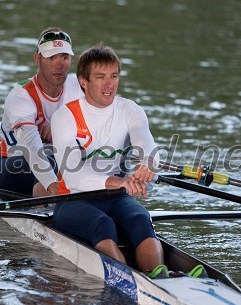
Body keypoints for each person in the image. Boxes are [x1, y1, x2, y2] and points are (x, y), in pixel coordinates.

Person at [50, 44, 169, 278]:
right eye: (101, 77)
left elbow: (148, 144)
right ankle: (128, 280)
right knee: (102, 224)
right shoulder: (65, 116)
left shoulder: (130, 110)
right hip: (72, 199)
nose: (109, 84)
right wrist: (121, 182)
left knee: (141, 219)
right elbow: (73, 175)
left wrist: (148, 163)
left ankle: (159, 278)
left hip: (115, 197)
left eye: (114, 76)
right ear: (83, 81)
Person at [0, 27, 84, 197]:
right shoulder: (21, 96)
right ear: (37, 59)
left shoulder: (78, 87)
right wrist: (54, 186)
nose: (59, 64)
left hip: (56, 162)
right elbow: (32, 150)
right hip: (10, 166)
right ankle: (49, 212)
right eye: (51, 57)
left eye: (64, 57)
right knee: (49, 160)